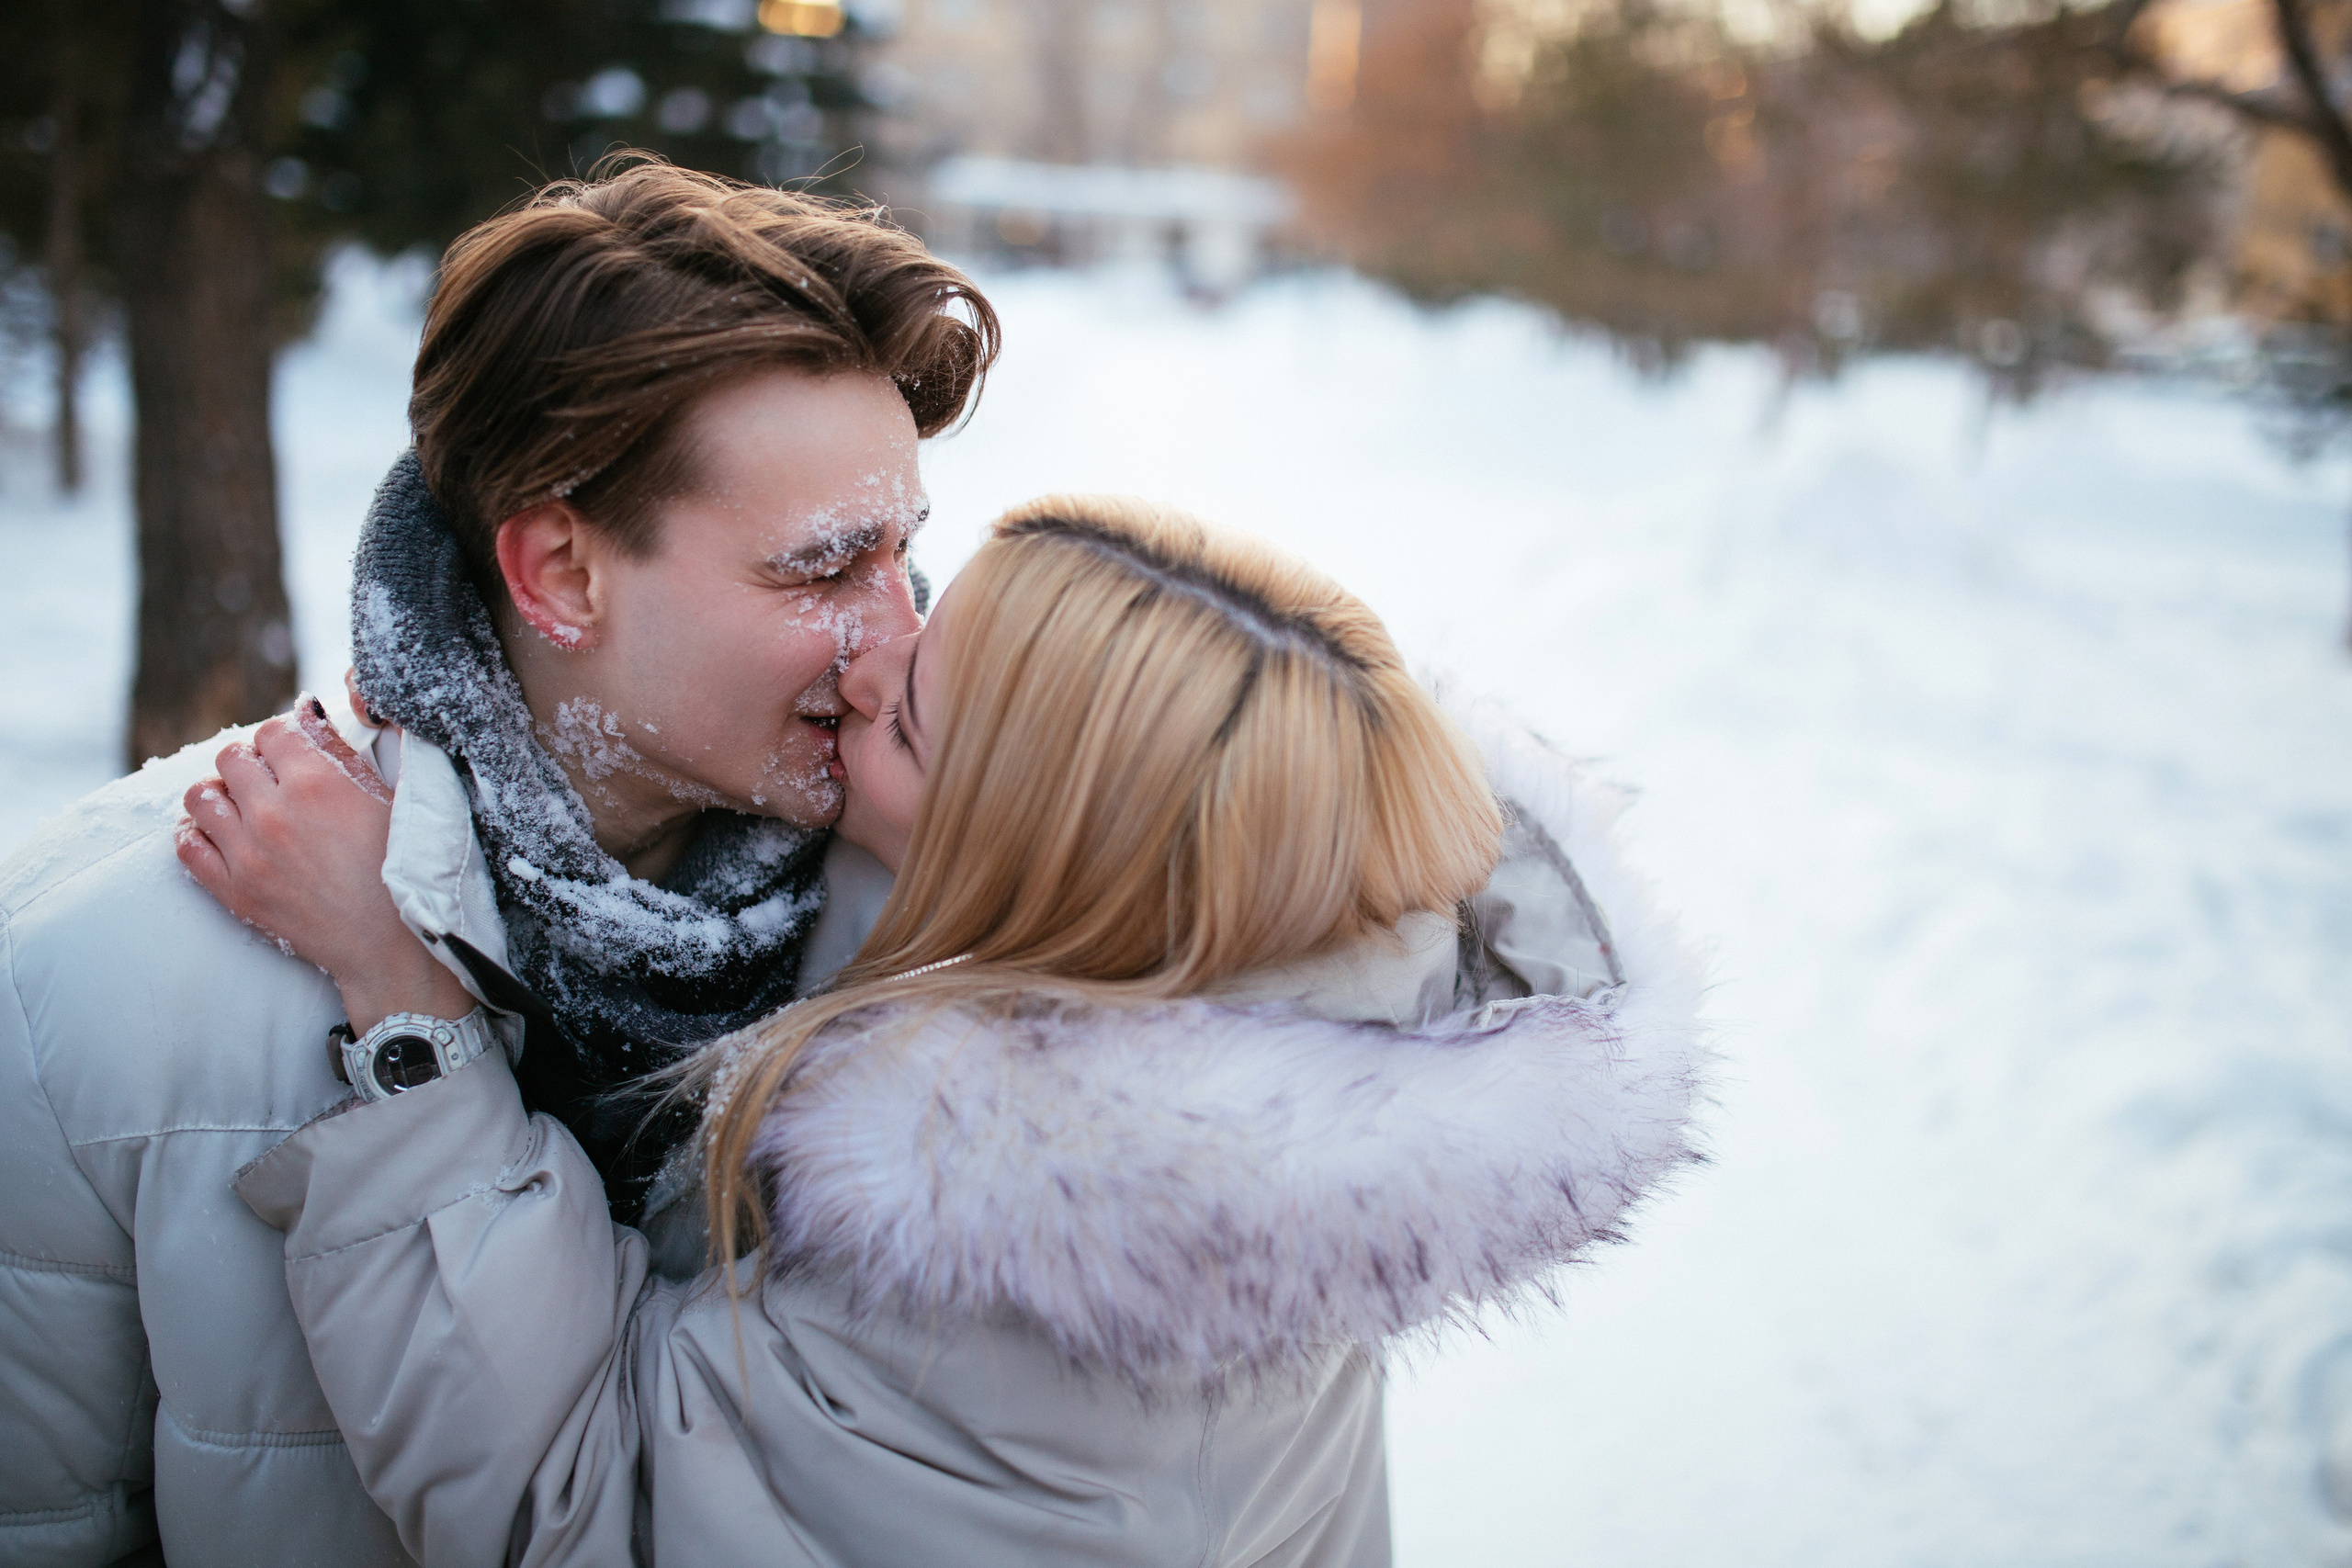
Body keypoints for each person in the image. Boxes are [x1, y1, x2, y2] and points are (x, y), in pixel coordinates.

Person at [190, 496, 1712, 1565]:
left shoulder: (1032, 1300)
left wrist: (407, 999)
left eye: (911, 715)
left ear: (1045, 870)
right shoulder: (1258, 969)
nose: (861, 661)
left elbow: (580, 1511)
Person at [0, 158, 997, 1566]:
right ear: (561, 576)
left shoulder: (950, 949)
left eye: (906, 555)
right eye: (823, 571)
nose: (898, 637)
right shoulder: (89, 989)